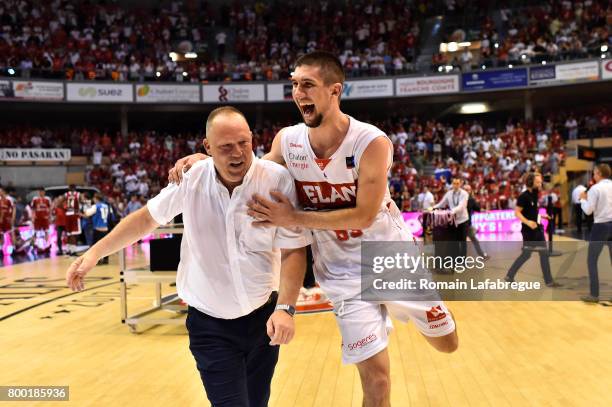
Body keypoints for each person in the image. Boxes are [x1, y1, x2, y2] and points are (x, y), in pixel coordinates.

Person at [169, 51, 457, 407]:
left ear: (335, 91)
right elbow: (250, 170)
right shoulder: (288, 142)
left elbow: (364, 215)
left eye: (308, 85)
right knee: (377, 381)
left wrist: (295, 218)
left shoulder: (372, 142)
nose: (298, 93)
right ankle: (375, 327)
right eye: (294, 85)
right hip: (341, 272)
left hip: (390, 259)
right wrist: (209, 157)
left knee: (447, 344)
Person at [67, 107, 311, 407]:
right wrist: (94, 253)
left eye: (244, 143)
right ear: (207, 148)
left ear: (252, 139)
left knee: (258, 402)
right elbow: (146, 219)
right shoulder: (192, 179)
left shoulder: (276, 180)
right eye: (226, 147)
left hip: (263, 318)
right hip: (211, 326)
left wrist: (286, 308)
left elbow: (294, 248)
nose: (238, 154)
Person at [504, 173, 562, 287]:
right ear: (530, 183)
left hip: (537, 229)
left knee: (543, 254)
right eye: (538, 182)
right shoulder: (523, 196)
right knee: (526, 255)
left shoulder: (535, 195)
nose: (540, 184)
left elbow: (532, 212)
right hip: (529, 231)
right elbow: (517, 212)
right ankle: (510, 275)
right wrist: (528, 222)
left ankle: (548, 281)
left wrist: (541, 216)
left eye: (540, 182)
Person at [578, 164, 612, 303]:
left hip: (601, 226)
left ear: (598, 173)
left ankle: (594, 295)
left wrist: (582, 199)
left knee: (592, 260)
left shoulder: (595, 189)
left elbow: (588, 211)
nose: (593, 176)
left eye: (594, 173)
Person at [429, 177, 470, 258]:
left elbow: (461, 206)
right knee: (454, 241)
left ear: (460, 184)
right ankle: (455, 260)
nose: (456, 185)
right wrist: (433, 208)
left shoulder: (464, 194)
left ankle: (463, 261)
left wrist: (451, 211)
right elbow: (442, 204)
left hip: (463, 221)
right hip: (452, 221)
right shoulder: (449, 193)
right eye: (454, 183)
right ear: (452, 184)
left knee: (462, 241)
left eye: (457, 183)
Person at [82, 193, 111, 264]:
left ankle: (97, 260)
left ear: (96, 199)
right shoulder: (106, 206)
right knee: (105, 245)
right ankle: (106, 259)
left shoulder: (96, 206)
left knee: (95, 246)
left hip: (98, 228)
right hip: (105, 228)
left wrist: (87, 207)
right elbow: (110, 215)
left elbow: (87, 213)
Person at [463, 184, 488, 259]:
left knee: (474, 240)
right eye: (465, 190)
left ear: (470, 191)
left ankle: (482, 255)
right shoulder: (459, 199)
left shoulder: (471, 200)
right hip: (460, 225)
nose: (467, 191)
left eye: (468, 190)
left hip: (467, 224)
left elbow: (478, 209)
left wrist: (485, 211)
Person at [30, 187, 52, 251]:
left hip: (45, 218)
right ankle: (34, 246)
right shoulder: (35, 199)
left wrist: (49, 217)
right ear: (38, 192)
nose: (41, 193)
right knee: (35, 232)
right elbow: (33, 209)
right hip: (37, 218)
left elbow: (50, 208)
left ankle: (46, 245)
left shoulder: (47, 199)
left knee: (46, 232)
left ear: (44, 192)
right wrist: (33, 217)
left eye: (42, 191)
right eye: (40, 191)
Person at [64, 184, 82, 256]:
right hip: (74, 214)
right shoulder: (78, 194)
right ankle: (73, 251)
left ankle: (68, 250)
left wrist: (65, 207)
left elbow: (61, 203)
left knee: (69, 234)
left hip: (68, 214)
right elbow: (81, 204)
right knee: (74, 234)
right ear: (75, 188)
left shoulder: (66, 194)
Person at [0, 187, 16, 253]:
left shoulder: (9, 199)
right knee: (1, 235)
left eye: (0, 191)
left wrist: (13, 218)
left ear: (3, 192)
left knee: (11, 233)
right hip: (1, 220)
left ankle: (14, 249)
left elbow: (14, 209)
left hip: (8, 220)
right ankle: (1, 250)